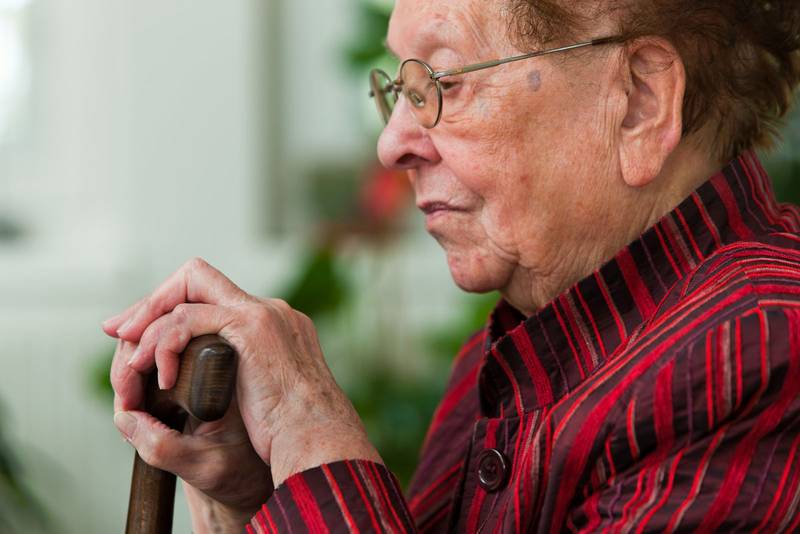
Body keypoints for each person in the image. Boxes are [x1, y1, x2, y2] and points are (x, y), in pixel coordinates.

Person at [103, 0, 800, 531]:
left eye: (443, 79)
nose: (392, 144)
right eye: (400, 89)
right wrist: (262, 494)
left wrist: (308, 428)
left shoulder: (760, 351)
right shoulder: (510, 353)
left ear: (640, 102)